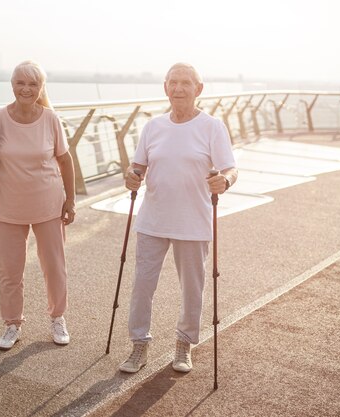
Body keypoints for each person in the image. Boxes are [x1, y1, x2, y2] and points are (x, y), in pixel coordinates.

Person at [119, 63, 238, 374]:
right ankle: (138, 345)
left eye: (186, 83)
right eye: (174, 82)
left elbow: (230, 169)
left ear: (198, 89)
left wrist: (224, 181)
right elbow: (137, 168)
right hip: (152, 220)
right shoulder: (153, 127)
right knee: (142, 285)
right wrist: (131, 178)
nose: (179, 88)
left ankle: (184, 343)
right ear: (165, 87)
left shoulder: (212, 127)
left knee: (192, 288)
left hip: (193, 222)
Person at [0, 60, 76, 350]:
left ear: (41, 88)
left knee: (54, 267)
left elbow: (65, 160)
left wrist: (71, 200)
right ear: (12, 85)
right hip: (8, 207)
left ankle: (57, 318)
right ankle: (12, 324)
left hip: (48, 204)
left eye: (33, 84)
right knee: (10, 271)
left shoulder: (50, 118)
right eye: (20, 83)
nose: (26, 89)